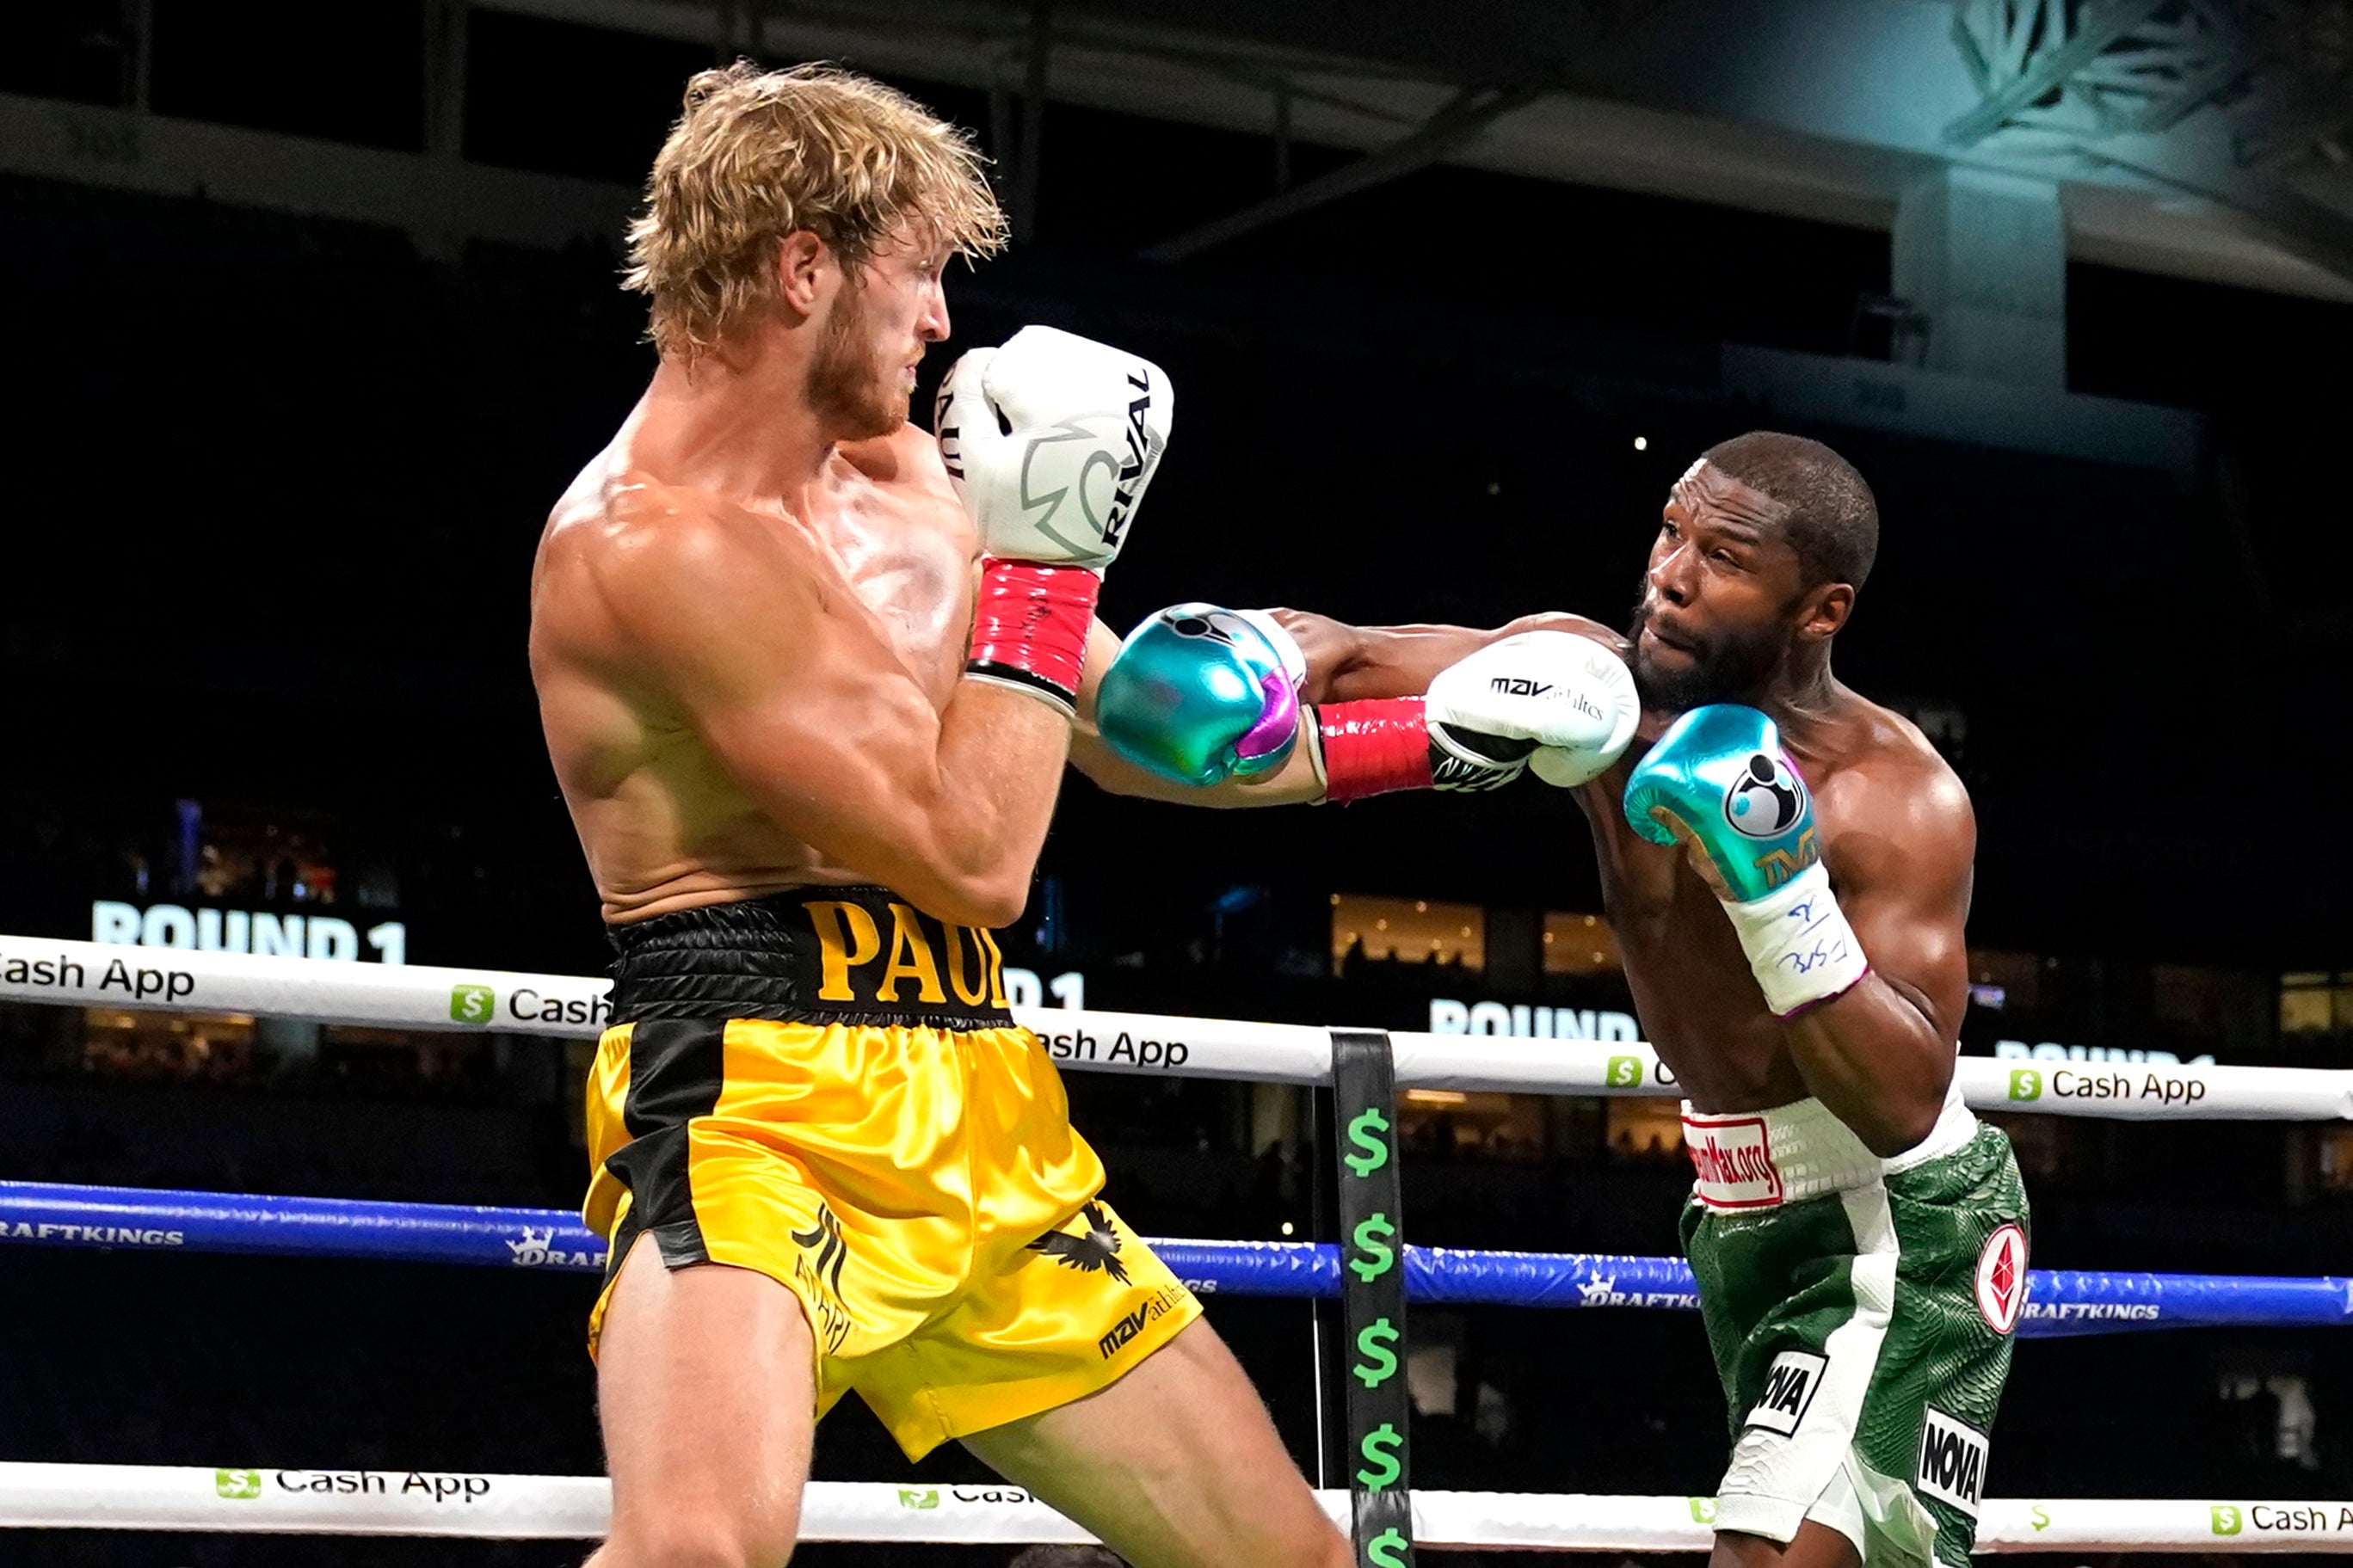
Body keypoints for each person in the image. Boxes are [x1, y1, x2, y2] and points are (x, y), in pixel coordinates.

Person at [529, 62, 1351, 1568]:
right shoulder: (650, 546)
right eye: (916, 276)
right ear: (803, 270)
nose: (941, 324)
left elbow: (1130, 737)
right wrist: (1046, 570)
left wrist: (1437, 738)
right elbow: (977, 856)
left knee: (1288, 1560)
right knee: (698, 1553)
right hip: (756, 1103)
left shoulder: (913, 478)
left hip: (982, 1099)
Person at [1087, 433, 2027, 1568]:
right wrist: (1257, 658)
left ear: (1819, 610)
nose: (1670, 573)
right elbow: (1351, 663)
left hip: (1898, 1225)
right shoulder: (1596, 694)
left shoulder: (1893, 797)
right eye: (1671, 530)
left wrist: (1778, 891)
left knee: (1769, 1556)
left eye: (1723, 556)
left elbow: (1904, 1101)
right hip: (1738, 1215)